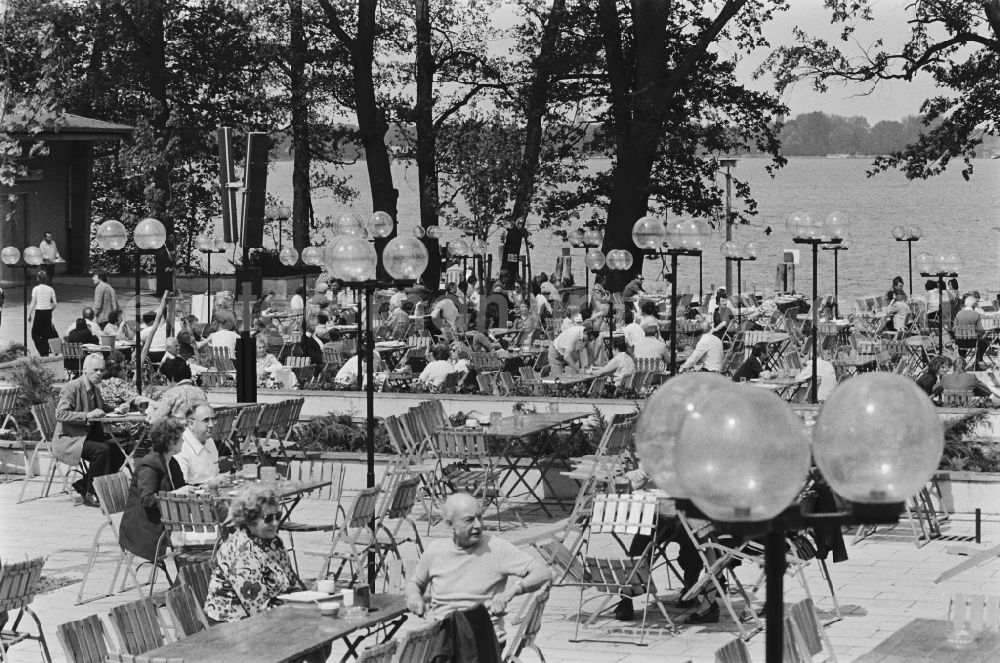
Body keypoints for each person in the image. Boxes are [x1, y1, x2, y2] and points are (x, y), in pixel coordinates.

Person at [406, 493, 551, 642]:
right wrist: (414, 597)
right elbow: (415, 583)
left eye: (479, 517)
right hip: (444, 637)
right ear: (450, 524)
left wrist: (511, 592)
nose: (478, 525)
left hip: (483, 642)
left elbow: (543, 573)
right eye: (469, 520)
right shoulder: (435, 550)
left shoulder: (496, 547)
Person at [203, 482, 319, 657]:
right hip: (231, 629)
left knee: (319, 635)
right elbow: (259, 610)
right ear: (249, 520)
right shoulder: (240, 551)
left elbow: (291, 584)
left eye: (278, 515)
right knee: (305, 636)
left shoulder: (274, 542)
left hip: (264, 619)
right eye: (268, 518)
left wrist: (310, 603)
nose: (275, 522)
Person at [53, 353, 129, 506]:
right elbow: (60, 414)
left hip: (88, 437)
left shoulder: (95, 389)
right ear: (85, 369)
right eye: (95, 370)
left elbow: (102, 408)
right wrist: (87, 415)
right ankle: (91, 493)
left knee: (119, 451)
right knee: (102, 450)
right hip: (70, 439)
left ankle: (84, 484)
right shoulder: (72, 387)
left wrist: (117, 408)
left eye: (101, 370)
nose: (99, 373)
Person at [118, 418, 187, 562]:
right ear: (171, 443)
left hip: (168, 521)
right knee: (198, 542)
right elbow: (147, 500)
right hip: (145, 530)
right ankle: (186, 580)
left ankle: (187, 580)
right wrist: (176, 494)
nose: (184, 442)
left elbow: (182, 488)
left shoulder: (171, 462)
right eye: (181, 439)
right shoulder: (149, 465)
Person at [175, 404, 221, 485]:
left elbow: (215, 475)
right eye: (206, 420)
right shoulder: (181, 447)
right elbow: (182, 488)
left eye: (213, 419)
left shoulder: (209, 440)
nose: (211, 425)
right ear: (191, 423)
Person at [26, 269, 57, 356]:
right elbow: (55, 303)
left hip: (39, 312)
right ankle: (46, 350)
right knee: (46, 332)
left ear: (38, 279)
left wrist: (29, 314)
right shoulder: (50, 289)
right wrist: (50, 311)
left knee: (35, 334)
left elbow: (33, 302)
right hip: (47, 312)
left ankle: (43, 352)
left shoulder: (35, 289)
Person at [954, 295, 986, 369]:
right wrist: (982, 333)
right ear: (973, 305)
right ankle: (977, 362)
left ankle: (962, 362)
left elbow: (954, 328)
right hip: (973, 342)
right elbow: (980, 329)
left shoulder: (959, 313)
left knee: (963, 342)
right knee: (984, 344)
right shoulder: (976, 314)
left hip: (960, 342)